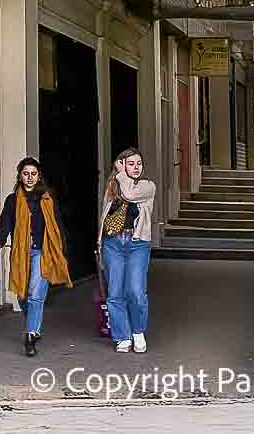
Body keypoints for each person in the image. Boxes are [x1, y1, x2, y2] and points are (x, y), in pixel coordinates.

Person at [0, 156, 72, 356]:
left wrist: (61, 248)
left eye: (33, 174)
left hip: (43, 252)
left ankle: (30, 335)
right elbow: (5, 223)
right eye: (26, 174)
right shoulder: (12, 200)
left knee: (36, 294)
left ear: (39, 177)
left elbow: (57, 224)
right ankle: (32, 322)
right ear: (20, 176)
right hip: (21, 253)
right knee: (22, 295)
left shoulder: (47, 198)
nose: (29, 177)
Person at [99, 147, 156, 353]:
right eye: (130, 163)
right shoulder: (113, 185)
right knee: (115, 292)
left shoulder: (148, 186)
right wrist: (100, 241)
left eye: (138, 163)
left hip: (137, 243)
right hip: (113, 244)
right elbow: (105, 213)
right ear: (122, 164)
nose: (135, 167)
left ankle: (138, 331)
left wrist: (121, 173)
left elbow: (130, 194)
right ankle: (122, 335)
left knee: (136, 291)